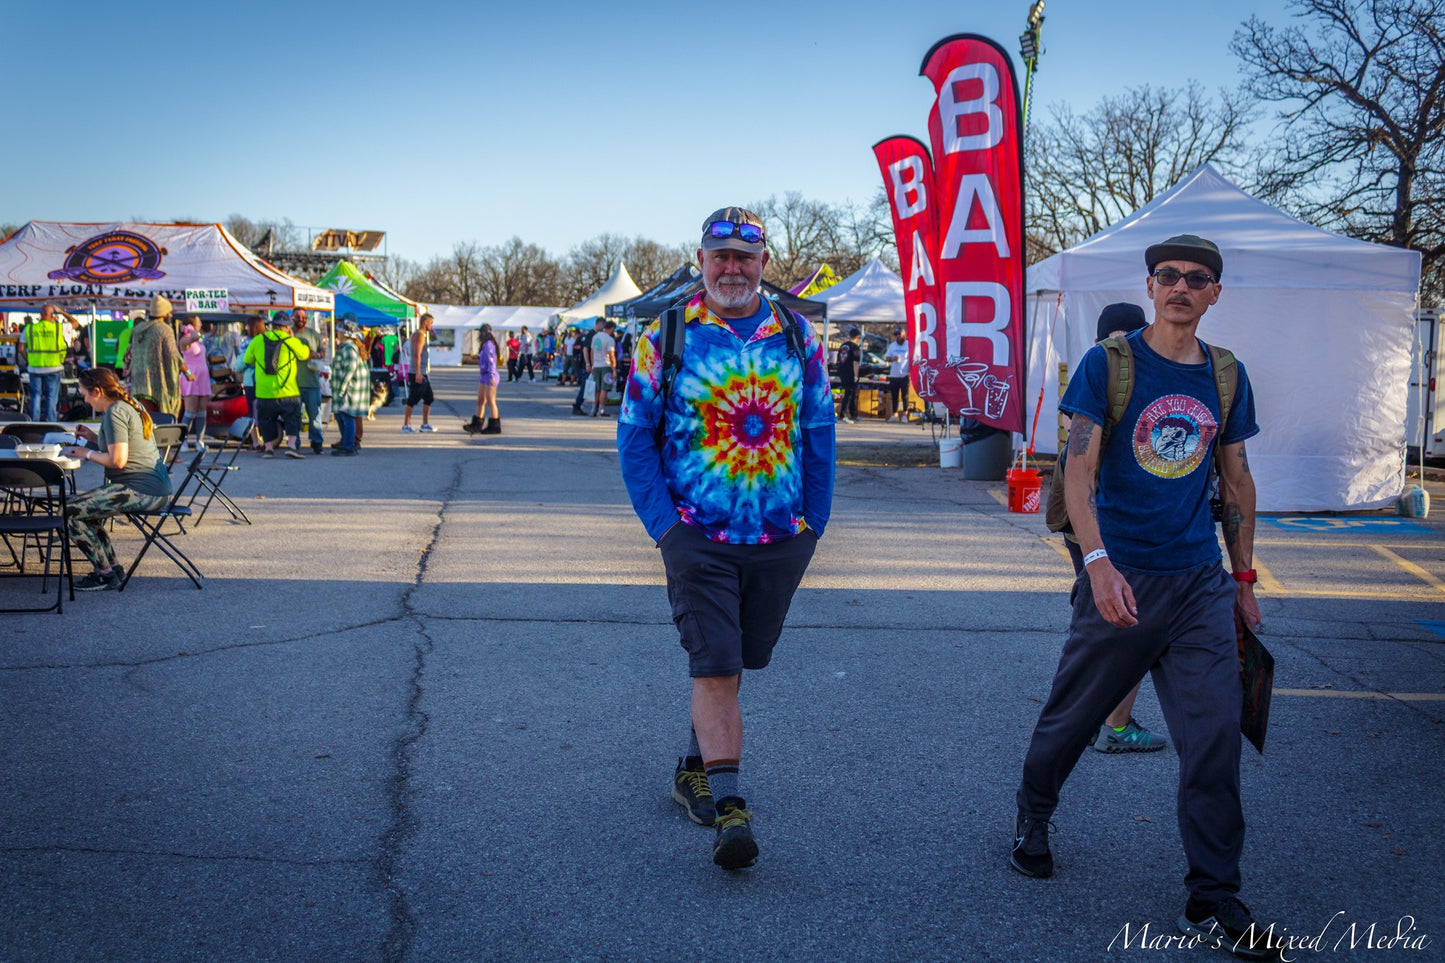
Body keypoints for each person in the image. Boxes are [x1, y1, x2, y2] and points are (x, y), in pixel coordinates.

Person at [1010, 235, 1273, 957]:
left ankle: (1213, 890)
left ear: (1214, 293)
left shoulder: (1225, 375)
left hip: (1196, 583)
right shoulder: (1109, 364)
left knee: (1213, 734)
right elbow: (1078, 471)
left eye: (1197, 278)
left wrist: (1242, 580)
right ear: (1150, 285)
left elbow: (1237, 480)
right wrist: (1096, 563)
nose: (1180, 286)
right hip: (1120, 578)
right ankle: (1033, 816)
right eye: (1168, 275)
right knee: (1071, 717)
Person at [617, 207, 836, 870]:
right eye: (721, 256)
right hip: (698, 537)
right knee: (716, 664)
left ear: (764, 262)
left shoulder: (797, 336)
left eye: (745, 256)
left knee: (736, 662)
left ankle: (693, 764)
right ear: (702, 259)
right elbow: (634, 439)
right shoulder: (669, 334)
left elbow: (820, 434)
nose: (733, 268)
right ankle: (731, 810)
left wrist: (813, 525)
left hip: (779, 536)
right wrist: (666, 530)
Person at [1054, 303, 1167, 754]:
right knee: (1129, 623)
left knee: (1105, 621)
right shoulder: (1110, 378)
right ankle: (1114, 725)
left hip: (1087, 521)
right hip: (1102, 522)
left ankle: (1090, 718)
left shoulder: (1100, 373)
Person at [63, 367, 175, 591]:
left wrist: (86, 453)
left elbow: (118, 460)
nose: (84, 399)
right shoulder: (128, 405)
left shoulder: (115, 413)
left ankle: (105, 574)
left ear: (97, 391)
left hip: (141, 489)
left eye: (85, 393)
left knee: (69, 512)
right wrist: (92, 438)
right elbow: (122, 446)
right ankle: (112, 568)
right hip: (153, 487)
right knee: (86, 510)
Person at [241, 310, 310, 459]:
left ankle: (269, 448)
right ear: (286, 327)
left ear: (272, 326)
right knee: (292, 418)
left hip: (264, 391)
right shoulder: (291, 341)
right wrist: (292, 338)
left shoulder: (258, 340)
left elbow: (247, 360)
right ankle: (291, 446)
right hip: (288, 390)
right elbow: (305, 354)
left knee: (266, 420)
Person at [128, 295, 187, 417]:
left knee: (145, 421)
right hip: (158, 386)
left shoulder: (138, 329)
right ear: (164, 313)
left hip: (139, 385)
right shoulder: (164, 329)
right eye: (169, 312)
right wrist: (187, 372)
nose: (170, 315)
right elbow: (173, 355)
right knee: (160, 423)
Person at [20, 304, 74, 421]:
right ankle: (51, 422)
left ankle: (34, 422)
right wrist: (61, 311)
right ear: (51, 315)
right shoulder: (58, 328)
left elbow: (21, 348)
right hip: (53, 367)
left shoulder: (29, 328)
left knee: (35, 396)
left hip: (34, 367)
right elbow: (75, 323)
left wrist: (29, 359)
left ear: (40, 314)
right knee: (51, 397)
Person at [328, 315, 369, 456]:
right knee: (341, 416)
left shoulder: (349, 349)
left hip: (348, 390)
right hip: (346, 388)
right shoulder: (347, 347)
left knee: (347, 416)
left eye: (339, 331)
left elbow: (350, 369)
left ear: (344, 333)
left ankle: (348, 446)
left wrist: (342, 388)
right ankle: (346, 442)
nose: (337, 333)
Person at [292, 308, 327, 453]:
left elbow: (323, 353)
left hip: (312, 382)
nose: (301, 319)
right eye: (298, 317)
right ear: (292, 317)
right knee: (294, 416)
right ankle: (295, 443)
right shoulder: (289, 334)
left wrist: (316, 355)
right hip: (293, 383)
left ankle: (317, 442)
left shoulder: (314, 334)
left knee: (315, 415)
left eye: (304, 317)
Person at [177, 318, 211, 450]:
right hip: (190, 377)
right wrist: (189, 330)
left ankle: (200, 441)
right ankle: (182, 441)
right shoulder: (185, 340)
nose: (201, 324)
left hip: (203, 376)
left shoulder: (198, 340)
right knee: (190, 411)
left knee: (202, 411)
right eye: (198, 321)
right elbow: (195, 335)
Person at [464, 323, 502, 435]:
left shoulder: (489, 345)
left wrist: (491, 376)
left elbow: (491, 361)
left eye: (481, 332)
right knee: (481, 400)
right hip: (484, 375)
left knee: (490, 400)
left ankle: (494, 425)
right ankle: (477, 423)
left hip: (490, 375)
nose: (479, 335)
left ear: (485, 333)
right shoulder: (484, 345)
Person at [402, 314, 436, 433]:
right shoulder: (419, 335)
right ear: (425, 322)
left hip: (422, 372)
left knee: (429, 397)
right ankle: (406, 425)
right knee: (413, 398)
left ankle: (425, 424)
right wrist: (418, 373)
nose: (431, 326)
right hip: (417, 372)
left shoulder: (423, 335)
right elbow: (417, 354)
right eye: (431, 323)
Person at [571, 318, 604, 415]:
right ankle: (577, 405)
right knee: (585, 386)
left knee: (591, 386)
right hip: (588, 365)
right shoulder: (591, 335)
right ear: (599, 324)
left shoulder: (595, 335)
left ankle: (591, 405)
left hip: (592, 364)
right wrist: (588, 364)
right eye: (603, 325)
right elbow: (585, 349)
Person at [588, 320, 617, 417]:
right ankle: (601, 409)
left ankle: (593, 409)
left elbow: (591, 352)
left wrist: (592, 364)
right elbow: (611, 355)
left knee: (596, 389)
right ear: (612, 328)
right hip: (606, 365)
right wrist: (614, 369)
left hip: (596, 365)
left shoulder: (595, 336)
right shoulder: (610, 339)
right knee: (604, 389)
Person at [883, 327, 910, 422]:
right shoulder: (892, 346)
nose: (898, 336)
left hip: (904, 374)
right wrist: (892, 359)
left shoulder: (909, 345)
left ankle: (905, 415)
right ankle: (894, 414)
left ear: (904, 334)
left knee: (905, 395)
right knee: (894, 395)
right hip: (894, 375)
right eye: (896, 335)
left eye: (899, 334)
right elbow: (886, 358)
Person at [836, 326, 862, 424]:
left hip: (842, 371)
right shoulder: (855, 347)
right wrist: (856, 375)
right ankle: (843, 415)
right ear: (857, 337)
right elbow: (855, 363)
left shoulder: (843, 345)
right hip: (850, 372)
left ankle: (853, 414)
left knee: (851, 393)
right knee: (849, 394)